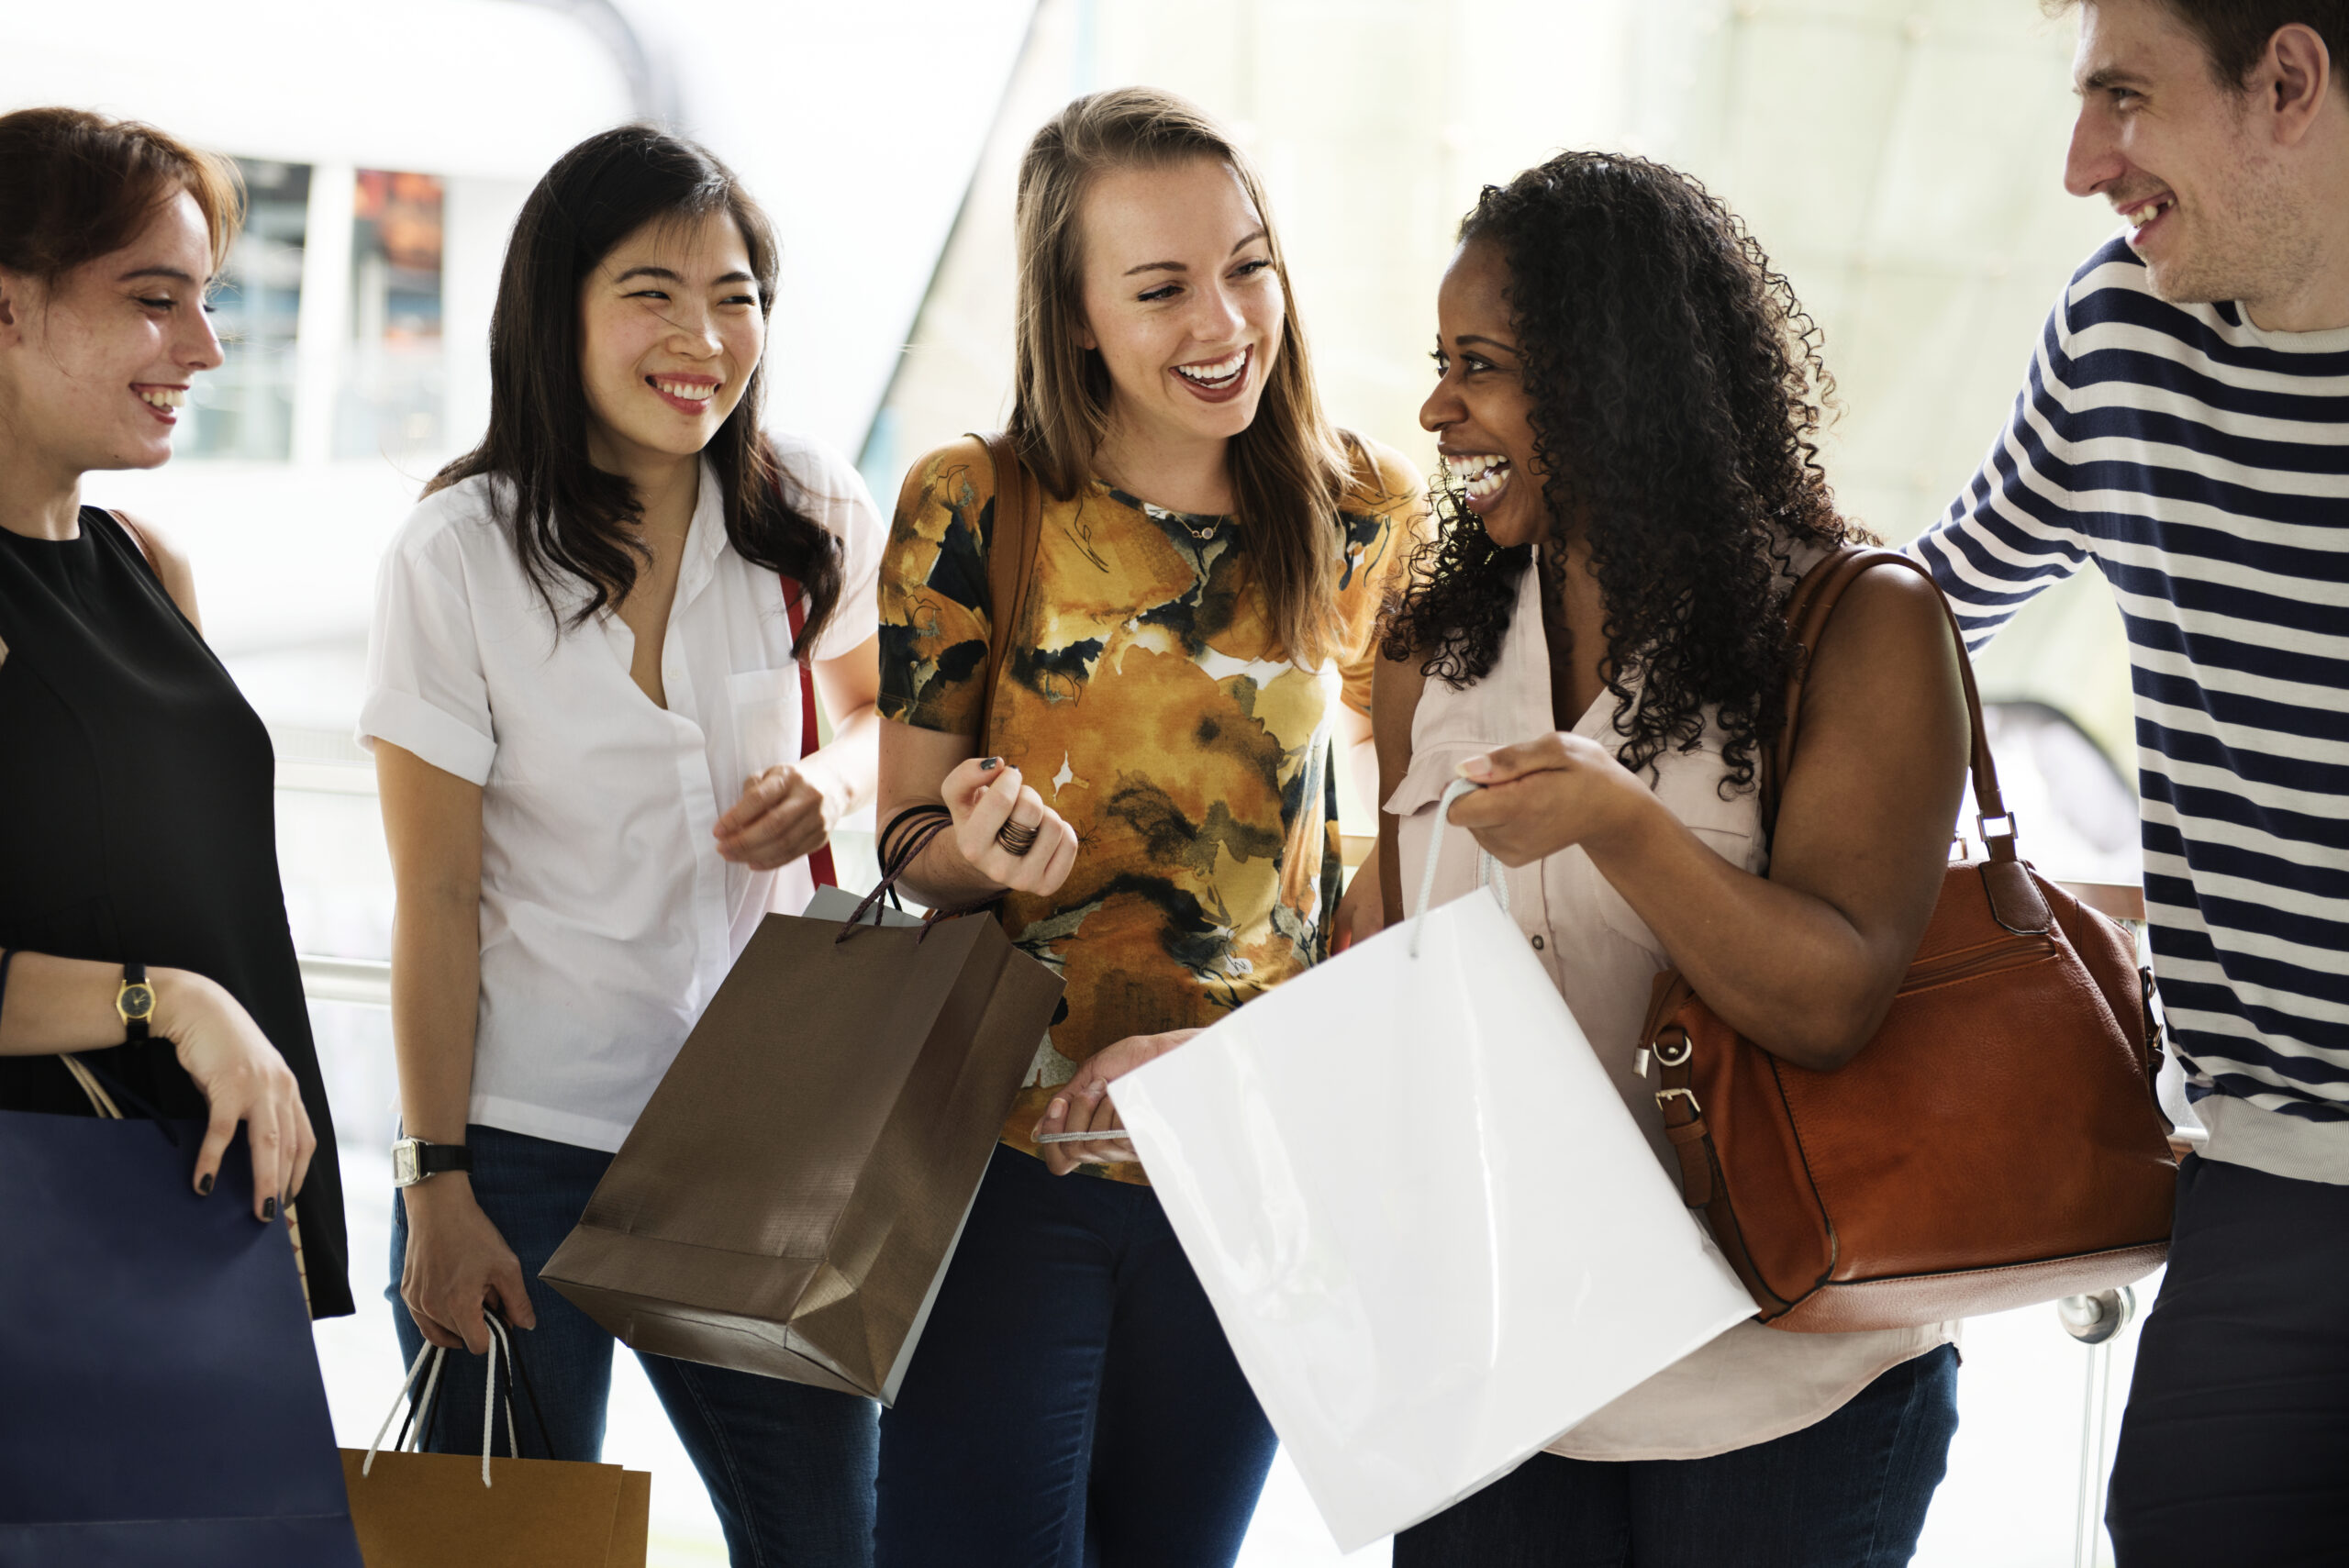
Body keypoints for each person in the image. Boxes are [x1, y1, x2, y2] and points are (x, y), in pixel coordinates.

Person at [1373, 154, 1969, 1566]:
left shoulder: (1859, 628)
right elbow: (1388, 948)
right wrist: (1214, 1072)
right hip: (1501, 1380)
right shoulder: (1430, 639)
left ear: (1612, 379)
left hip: (1783, 1392)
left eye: (1482, 365)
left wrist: (1618, 822)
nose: (1436, 406)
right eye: (1438, 361)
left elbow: (1834, 995)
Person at [871, 87, 1421, 1566]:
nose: (1223, 319)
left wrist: (1251, 1052)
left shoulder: (1363, 512)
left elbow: (1411, 862)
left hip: (1249, 1162)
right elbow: (907, 847)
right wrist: (973, 852)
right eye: (1161, 287)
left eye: (1248, 264)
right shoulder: (970, 504)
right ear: (1076, 318)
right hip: (1006, 1163)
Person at [362, 126, 885, 1563]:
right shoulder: (459, 552)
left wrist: (830, 783)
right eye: (652, 291)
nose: (703, 337)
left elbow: (893, 725)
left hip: (759, 1143)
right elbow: (439, 896)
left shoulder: (810, 512)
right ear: (560, 307)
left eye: (736, 295)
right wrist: (437, 1184)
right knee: (508, 1547)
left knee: (826, 1539)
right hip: (522, 1141)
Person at [1906, 2, 2349, 1559]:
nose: (2086, 163)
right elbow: (1918, 618)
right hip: (2265, 1179)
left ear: (2286, 82)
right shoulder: (2124, 336)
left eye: (2126, 101)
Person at [0, 106, 350, 1311]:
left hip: (210, 1217)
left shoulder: (147, 565)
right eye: (156, 298)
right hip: (52, 1229)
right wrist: (169, 1002)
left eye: (205, 298)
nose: (204, 347)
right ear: (7, 306)